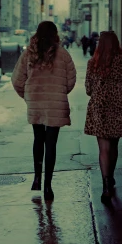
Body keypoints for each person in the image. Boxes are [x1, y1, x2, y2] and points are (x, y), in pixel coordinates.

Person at [12, 21, 77, 200]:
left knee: (38, 139)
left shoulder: (28, 54)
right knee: (51, 143)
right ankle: (48, 186)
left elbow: (17, 80)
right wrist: (59, 92)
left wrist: (28, 96)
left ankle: (37, 178)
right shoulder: (63, 55)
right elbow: (71, 80)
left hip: (36, 101)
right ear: (55, 34)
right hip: (55, 103)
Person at [84, 31, 122, 204]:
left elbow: (88, 89)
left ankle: (106, 184)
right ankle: (111, 177)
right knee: (114, 145)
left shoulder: (93, 63)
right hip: (118, 106)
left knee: (103, 149)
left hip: (100, 107)